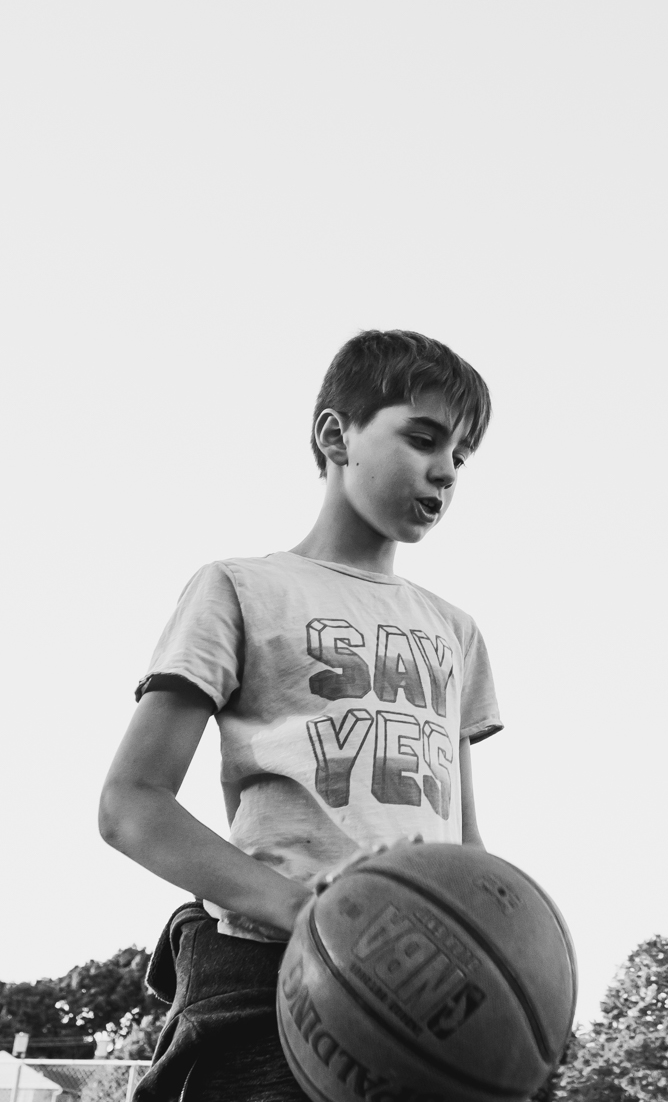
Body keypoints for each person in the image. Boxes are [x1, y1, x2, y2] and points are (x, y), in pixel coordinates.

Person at [99, 330, 501, 1102]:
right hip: (267, 974)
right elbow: (129, 805)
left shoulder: (455, 631)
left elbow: (464, 842)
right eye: (423, 438)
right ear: (334, 435)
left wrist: (496, 952)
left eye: (462, 455)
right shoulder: (241, 588)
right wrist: (305, 910)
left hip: (410, 986)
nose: (446, 470)